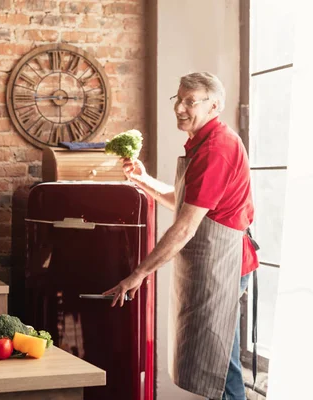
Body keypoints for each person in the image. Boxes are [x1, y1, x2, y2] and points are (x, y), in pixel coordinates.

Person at [104, 72, 258, 400]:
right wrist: (144, 180)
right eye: (179, 99)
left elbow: (186, 226)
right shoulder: (202, 142)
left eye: (191, 101)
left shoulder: (217, 148)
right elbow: (186, 202)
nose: (180, 108)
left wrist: (138, 274)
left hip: (225, 266)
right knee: (220, 364)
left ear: (214, 106)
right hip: (212, 265)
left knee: (220, 368)